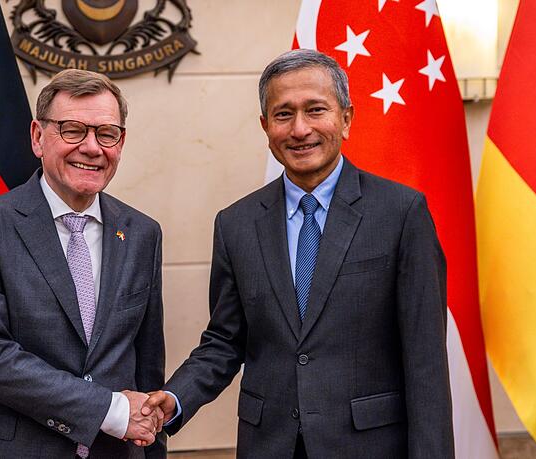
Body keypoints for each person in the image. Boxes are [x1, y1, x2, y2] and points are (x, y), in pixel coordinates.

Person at [144, 49, 453, 458]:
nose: (300, 129)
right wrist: (175, 398)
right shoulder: (236, 224)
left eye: (316, 110)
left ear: (346, 118)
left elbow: (425, 361)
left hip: (370, 446)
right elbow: (224, 341)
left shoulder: (400, 213)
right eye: (284, 114)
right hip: (269, 445)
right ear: (265, 125)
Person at [0, 69, 166, 458]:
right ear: (37, 137)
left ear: (121, 142)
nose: (92, 147)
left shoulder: (142, 233)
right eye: (72, 130)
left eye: (106, 133)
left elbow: (147, 368)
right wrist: (110, 410)